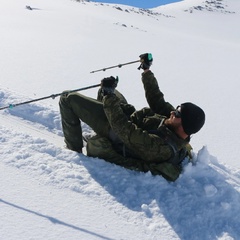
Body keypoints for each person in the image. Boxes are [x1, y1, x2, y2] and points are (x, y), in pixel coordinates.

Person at [59, 53, 205, 181]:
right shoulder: (174, 123)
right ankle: (98, 112)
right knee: (104, 91)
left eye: (178, 113)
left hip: (117, 130)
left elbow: (124, 129)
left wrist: (109, 96)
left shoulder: (160, 147)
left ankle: (74, 151)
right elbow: (157, 99)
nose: (173, 112)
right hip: (129, 118)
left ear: (184, 126)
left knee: (68, 98)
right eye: (177, 109)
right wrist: (146, 70)